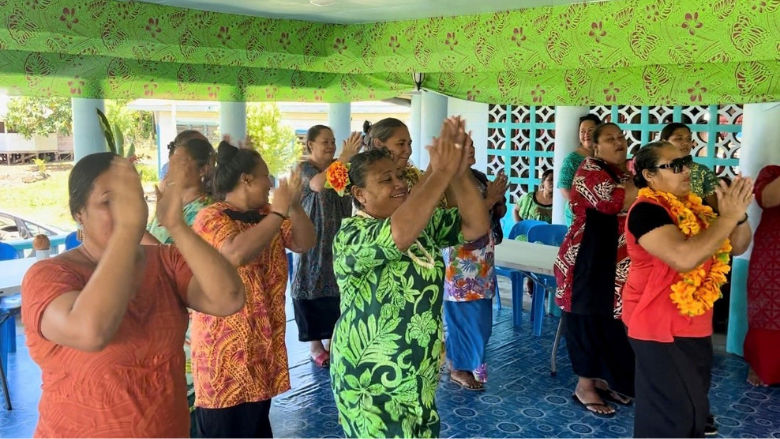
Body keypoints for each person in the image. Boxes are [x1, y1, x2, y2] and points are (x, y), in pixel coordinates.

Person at [21, 153, 244, 437]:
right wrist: (127, 229)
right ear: (79, 213)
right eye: (108, 201)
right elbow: (91, 332)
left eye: (133, 199)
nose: (127, 210)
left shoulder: (164, 262)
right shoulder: (49, 275)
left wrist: (175, 225)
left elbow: (229, 298)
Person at [330, 117, 490, 438]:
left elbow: (475, 225)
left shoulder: (421, 226)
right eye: (386, 179)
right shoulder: (352, 236)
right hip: (371, 384)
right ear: (359, 194)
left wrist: (457, 173)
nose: (400, 183)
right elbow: (397, 235)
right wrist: (441, 171)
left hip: (418, 379)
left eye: (400, 175)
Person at [623, 142, 752, 437]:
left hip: (694, 324)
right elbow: (684, 258)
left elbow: (739, 245)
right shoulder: (646, 211)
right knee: (671, 416)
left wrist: (739, 216)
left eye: (687, 162)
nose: (686, 170)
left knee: (693, 410)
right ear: (650, 175)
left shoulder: (696, 209)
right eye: (675, 165)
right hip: (657, 325)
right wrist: (727, 218)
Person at [190, 141, 316, 438]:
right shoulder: (211, 217)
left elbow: (305, 242)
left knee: (256, 428)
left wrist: (293, 206)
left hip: (261, 349)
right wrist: (278, 213)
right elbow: (235, 253)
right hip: (221, 357)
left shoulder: (268, 213)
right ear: (246, 179)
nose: (270, 183)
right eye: (264, 176)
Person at [554, 122, 638, 417]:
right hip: (585, 259)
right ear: (595, 146)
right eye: (611, 139)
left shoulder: (623, 174)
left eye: (621, 137)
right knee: (585, 319)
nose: (619, 143)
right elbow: (615, 201)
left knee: (609, 321)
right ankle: (584, 386)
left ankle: (604, 380)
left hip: (611, 261)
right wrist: (634, 189)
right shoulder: (589, 171)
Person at [291, 125, 361, 367]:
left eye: (333, 141)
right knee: (311, 283)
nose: (331, 146)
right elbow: (319, 184)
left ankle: (334, 340)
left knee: (337, 286)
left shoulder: (341, 167)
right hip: (312, 239)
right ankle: (315, 345)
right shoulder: (304, 168)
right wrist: (343, 157)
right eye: (325, 142)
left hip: (338, 237)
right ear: (310, 144)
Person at [443, 135, 508, 390]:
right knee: (463, 316)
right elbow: (459, 220)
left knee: (481, 317)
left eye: (473, 145)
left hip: (483, 260)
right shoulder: (449, 183)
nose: (472, 149)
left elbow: (497, 213)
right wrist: (490, 199)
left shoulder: (479, 177)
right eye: (464, 147)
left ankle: (469, 362)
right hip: (461, 260)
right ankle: (458, 366)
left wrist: (498, 199)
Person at [744, 164, 780, 387]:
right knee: (768, 310)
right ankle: (762, 365)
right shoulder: (771, 173)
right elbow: (766, 199)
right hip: (773, 254)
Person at [145, 137, 215, 244]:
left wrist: (136, 229)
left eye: (181, 162)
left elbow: (177, 258)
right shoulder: (169, 203)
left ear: (202, 170)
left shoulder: (206, 212)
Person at [659, 123, 719, 209]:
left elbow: (716, 207)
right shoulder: (655, 169)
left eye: (689, 139)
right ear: (664, 142)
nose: (685, 143)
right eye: (679, 138)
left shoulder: (701, 171)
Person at [558, 114, 601, 225]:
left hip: (601, 213)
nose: (586, 134)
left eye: (590, 130)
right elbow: (564, 189)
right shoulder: (572, 159)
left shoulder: (604, 157)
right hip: (579, 215)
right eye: (582, 131)